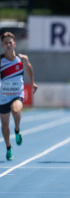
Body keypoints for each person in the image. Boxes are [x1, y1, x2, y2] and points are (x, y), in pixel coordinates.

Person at [0, 32, 38, 161]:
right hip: (3, 96)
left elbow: (29, 68)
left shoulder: (22, 58)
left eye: (10, 42)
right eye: (6, 43)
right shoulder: (1, 61)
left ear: (14, 44)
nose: (8, 45)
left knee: (16, 110)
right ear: (3, 46)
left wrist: (32, 82)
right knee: (4, 125)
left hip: (17, 94)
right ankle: (9, 147)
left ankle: (17, 130)